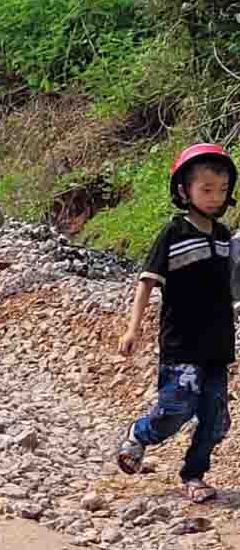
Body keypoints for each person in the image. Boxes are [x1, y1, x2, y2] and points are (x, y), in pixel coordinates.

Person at [116, 144, 236, 504]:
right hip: (181, 342)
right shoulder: (174, 233)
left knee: (216, 420)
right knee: (177, 407)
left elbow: (232, 283)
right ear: (184, 190)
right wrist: (133, 328)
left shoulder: (224, 235)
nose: (216, 198)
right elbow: (147, 281)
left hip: (217, 344)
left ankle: (194, 474)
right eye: (207, 190)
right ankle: (139, 434)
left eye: (223, 190)